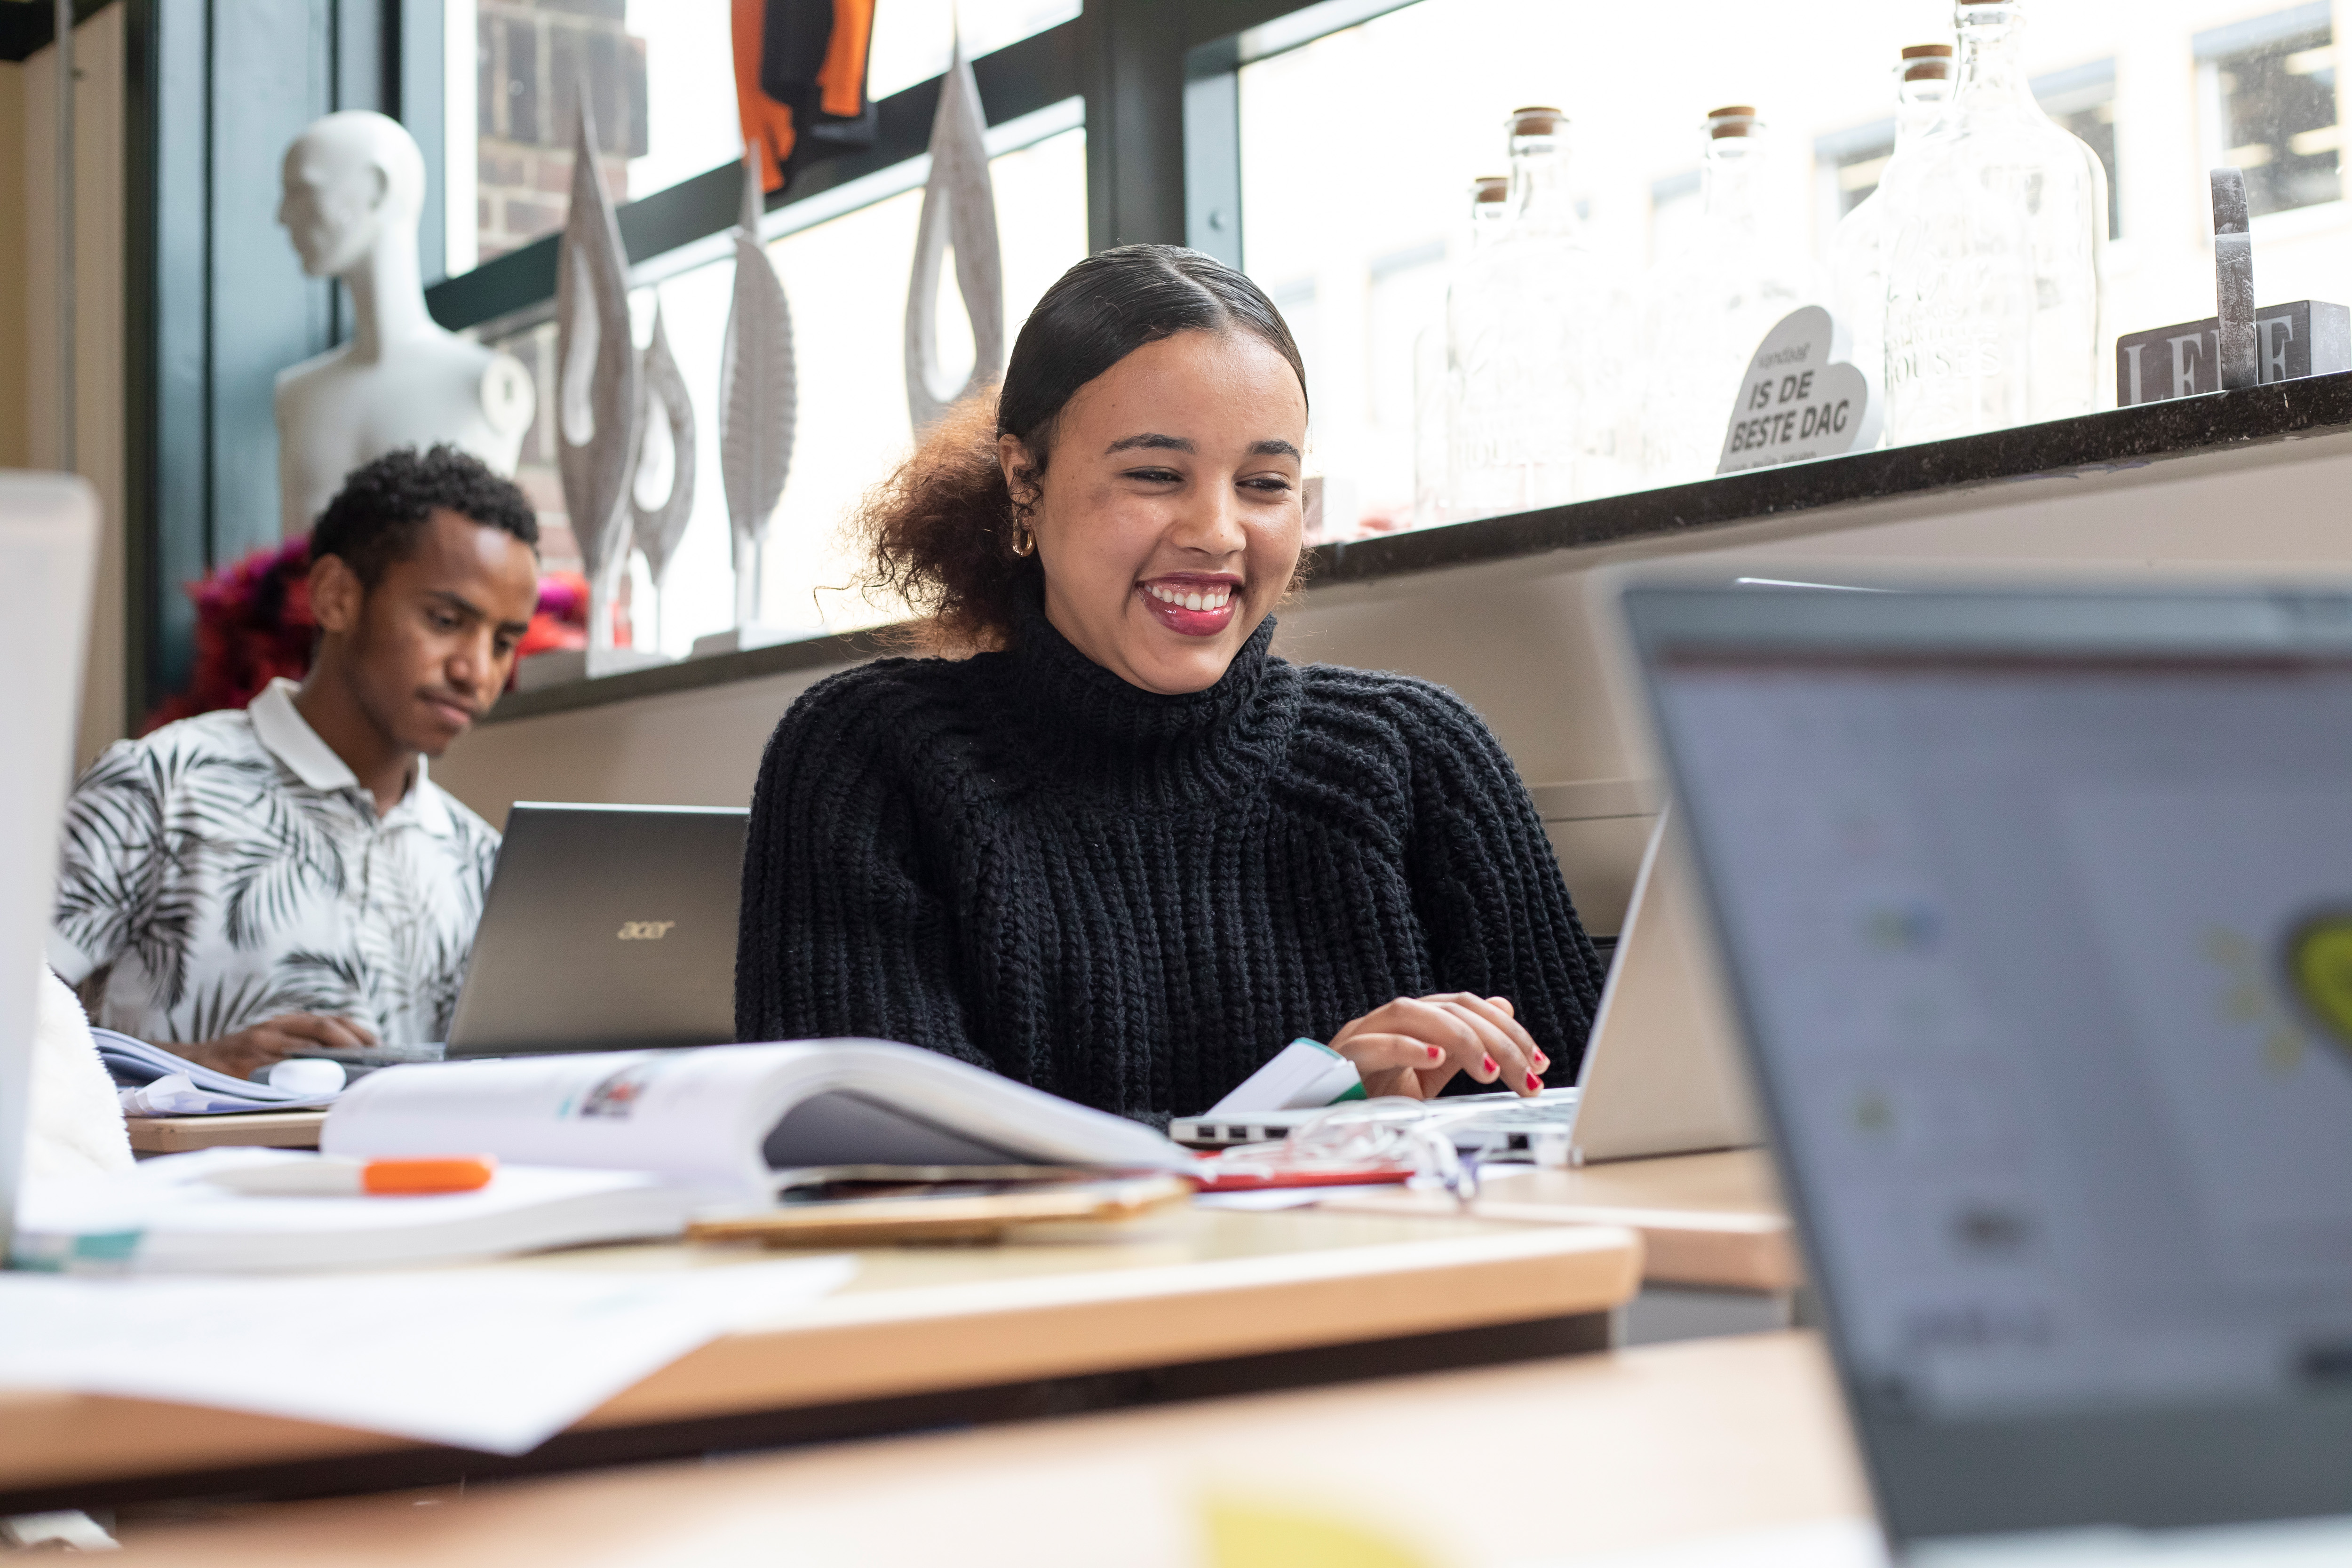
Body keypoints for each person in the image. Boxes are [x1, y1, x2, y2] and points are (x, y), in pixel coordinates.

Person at [736, 245, 1607, 1125]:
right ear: (1023, 483)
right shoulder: (871, 758)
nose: (1218, 532)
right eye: (1155, 475)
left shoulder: (1421, 753)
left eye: (1265, 484)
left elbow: (1610, 1120)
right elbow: (878, 1154)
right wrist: (1295, 1114)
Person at [48, 446, 540, 1078]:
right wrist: (198, 1065)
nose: (477, 671)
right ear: (336, 596)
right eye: (446, 620)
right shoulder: (157, 787)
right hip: (173, 1176)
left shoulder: (483, 860)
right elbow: (16, 1025)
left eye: (504, 643)